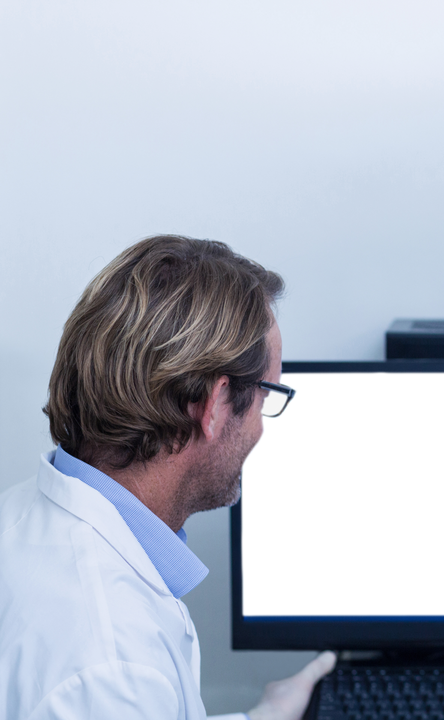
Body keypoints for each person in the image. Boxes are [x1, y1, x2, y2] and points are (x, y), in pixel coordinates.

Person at [0, 235, 335, 720]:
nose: (265, 426)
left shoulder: (22, 514)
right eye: (267, 396)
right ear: (217, 404)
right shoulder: (112, 666)